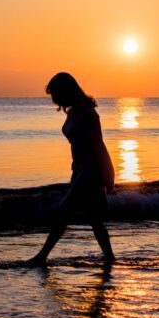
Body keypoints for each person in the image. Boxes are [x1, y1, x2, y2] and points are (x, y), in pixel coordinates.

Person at [29, 72, 116, 265]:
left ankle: (41, 256)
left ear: (65, 90)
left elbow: (98, 145)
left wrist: (109, 173)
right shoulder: (74, 111)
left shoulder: (88, 114)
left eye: (54, 94)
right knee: (94, 219)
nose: (53, 99)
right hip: (78, 170)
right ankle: (110, 258)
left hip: (90, 170)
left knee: (63, 211)